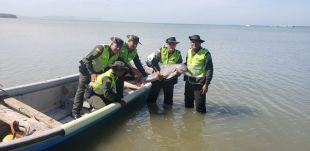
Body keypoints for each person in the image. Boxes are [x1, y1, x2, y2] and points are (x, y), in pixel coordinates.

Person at [71, 37, 124, 119]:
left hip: (98, 71)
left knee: (96, 87)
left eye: (119, 47)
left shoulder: (117, 54)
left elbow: (120, 65)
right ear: (111, 44)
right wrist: (92, 73)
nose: (117, 48)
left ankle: (95, 103)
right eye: (116, 46)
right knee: (81, 90)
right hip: (86, 69)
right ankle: (75, 112)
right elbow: (86, 60)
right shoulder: (101, 48)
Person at [146, 37, 183, 105]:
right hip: (158, 77)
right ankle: (151, 112)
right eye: (170, 44)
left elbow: (180, 65)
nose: (172, 45)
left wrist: (178, 73)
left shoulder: (178, 53)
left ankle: (168, 113)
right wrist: (158, 72)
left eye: (174, 44)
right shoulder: (160, 50)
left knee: (168, 101)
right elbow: (153, 62)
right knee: (151, 98)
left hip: (170, 79)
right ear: (166, 44)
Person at [184, 35, 213, 113]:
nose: (194, 43)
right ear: (191, 43)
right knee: (188, 106)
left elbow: (209, 69)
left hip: (199, 83)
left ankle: (200, 123)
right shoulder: (189, 51)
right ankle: (188, 123)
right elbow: (187, 64)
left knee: (200, 108)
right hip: (188, 82)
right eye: (192, 42)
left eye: (196, 42)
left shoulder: (206, 53)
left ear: (200, 43)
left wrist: (206, 84)